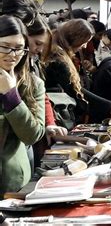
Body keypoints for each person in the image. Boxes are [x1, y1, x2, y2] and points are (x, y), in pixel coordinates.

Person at [42, 19, 111, 125]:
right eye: (84, 42)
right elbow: (76, 91)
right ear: (75, 38)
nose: (84, 46)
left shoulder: (59, 53)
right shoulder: (58, 59)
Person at [0, 15, 45, 198]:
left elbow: (33, 134)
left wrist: (11, 95)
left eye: (18, 49)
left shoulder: (33, 84)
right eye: (5, 47)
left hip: (12, 181)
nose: (12, 55)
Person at [27, 16, 68, 167]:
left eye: (42, 46)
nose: (38, 50)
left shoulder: (34, 62)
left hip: (33, 136)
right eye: (37, 43)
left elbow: (41, 96)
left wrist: (49, 123)